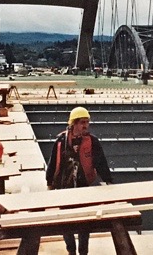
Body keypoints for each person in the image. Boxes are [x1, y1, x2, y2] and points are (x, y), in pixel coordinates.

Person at [46, 107, 113, 255]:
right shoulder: (61, 141)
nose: (86, 126)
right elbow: (52, 163)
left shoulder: (92, 141)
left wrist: (109, 181)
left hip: (84, 187)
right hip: (64, 188)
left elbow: (101, 162)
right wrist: (49, 184)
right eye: (82, 122)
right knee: (66, 223)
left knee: (85, 223)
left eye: (87, 122)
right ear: (73, 123)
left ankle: (83, 252)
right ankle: (71, 250)